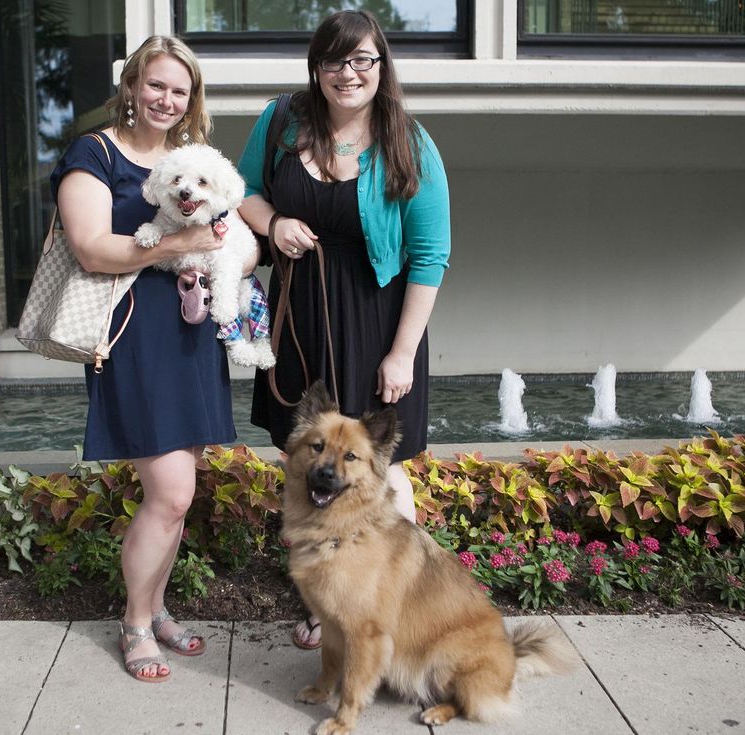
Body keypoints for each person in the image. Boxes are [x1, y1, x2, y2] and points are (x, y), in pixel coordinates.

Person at [237, 10, 451, 649]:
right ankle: (326, 608)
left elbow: (431, 252)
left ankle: (398, 611)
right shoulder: (281, 122)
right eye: (335, 60)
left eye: (362, 60)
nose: (348, 73)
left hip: (376, 321)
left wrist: (403, 353)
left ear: (382, 67)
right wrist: (272, 223)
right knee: (307, 465)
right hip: (300, 316)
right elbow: (242, 191)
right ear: (317, 67)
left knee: (381, 474)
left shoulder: (409, 140)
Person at [50, 36, 257, 683]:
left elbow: (235, 237)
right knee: (170, 493)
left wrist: (231, 253)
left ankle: (157, 605)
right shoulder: (95, 152)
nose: (168, 99)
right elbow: (89, 247)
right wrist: (179, 245)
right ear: (133, 85)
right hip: (135, 337)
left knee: (178, 493)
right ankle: (137, 622)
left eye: (181, 89)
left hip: (193, 338)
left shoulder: (187, 160)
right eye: (157, 85)